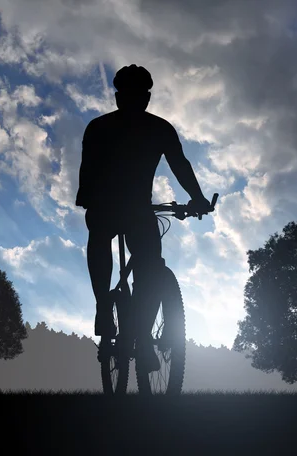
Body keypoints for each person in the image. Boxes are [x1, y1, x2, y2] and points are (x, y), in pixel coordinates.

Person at [75, 64, 212, 372]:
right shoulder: (156, 128)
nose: (137, 100)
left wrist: (88, 199)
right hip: (126, 207)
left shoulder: (100, 126)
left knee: (135, 259)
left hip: (119, 206)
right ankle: (108, 310)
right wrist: (198, 199)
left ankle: (128, 326)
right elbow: (180, 165)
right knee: (144, 262)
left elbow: (180, 164)